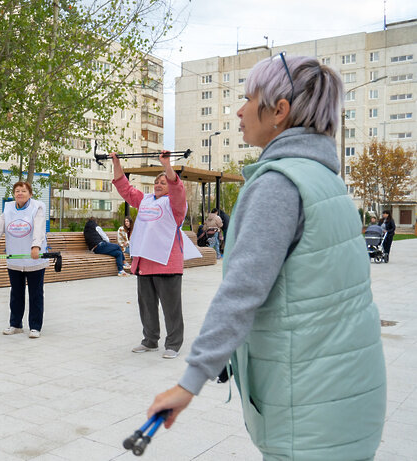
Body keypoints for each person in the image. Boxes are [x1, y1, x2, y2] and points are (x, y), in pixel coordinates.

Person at [146, 54, 385, 460]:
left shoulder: (278, 184)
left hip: (308, 409)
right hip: (349, 393)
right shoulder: (326, 180)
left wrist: (188, 383)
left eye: (248, 98)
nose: (239, 110)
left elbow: (241, 292)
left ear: (279, 111)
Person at [111, 151, 201, 359]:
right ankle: (150, 340)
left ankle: (173, 344)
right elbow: (124, 187)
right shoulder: (145, 200)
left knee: (171, 308)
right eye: (157, 182)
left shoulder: (176, 204)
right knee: (147, 307)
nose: (159, 184)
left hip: (167, 262)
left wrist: (167, 165)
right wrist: (116, 163)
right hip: (145, 262)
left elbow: (178, 188)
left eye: (163, 182)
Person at [0, 181, 47, 339]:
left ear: (30, 194)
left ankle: (35, 327)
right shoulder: (9, 208)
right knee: (16, 294)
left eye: (23, 191)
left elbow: (39, 227)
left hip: (34, 260)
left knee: (35, 294)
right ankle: (16, 324)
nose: (20, 193)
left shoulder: (37, 207)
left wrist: (36, 246)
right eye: (17, 191)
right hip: (15, 259)